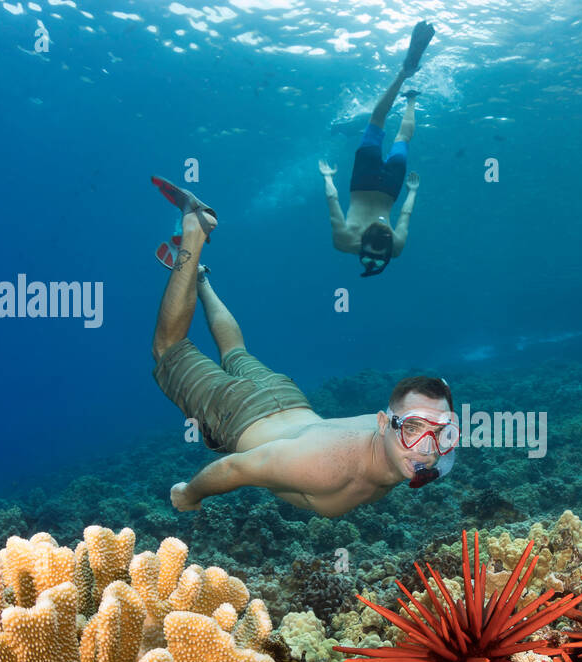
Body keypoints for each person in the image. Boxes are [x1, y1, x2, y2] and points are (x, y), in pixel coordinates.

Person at [146, 176, 459, 517]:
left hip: (288, 399)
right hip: (237, 413)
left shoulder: (417, 450)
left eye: (440, 435)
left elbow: (431, 434)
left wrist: (438, 413)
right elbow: (233, 470)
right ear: (383, 423)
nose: (426, 451)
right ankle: (194, 230)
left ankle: (201, 279)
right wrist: (190, 494)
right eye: (412, 430)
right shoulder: (322, 467)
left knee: (236, 352)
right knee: (168, 349)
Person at [322, 20, 436, 277]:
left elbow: (405, 215)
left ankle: (411, 99)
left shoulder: (394, 249)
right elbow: (332, 202)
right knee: (377, 119)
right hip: (363, 180)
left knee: (402, 139)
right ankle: (403, 76)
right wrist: (327, 177)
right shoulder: (343, 241)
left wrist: (412, 191)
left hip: (391, 187)